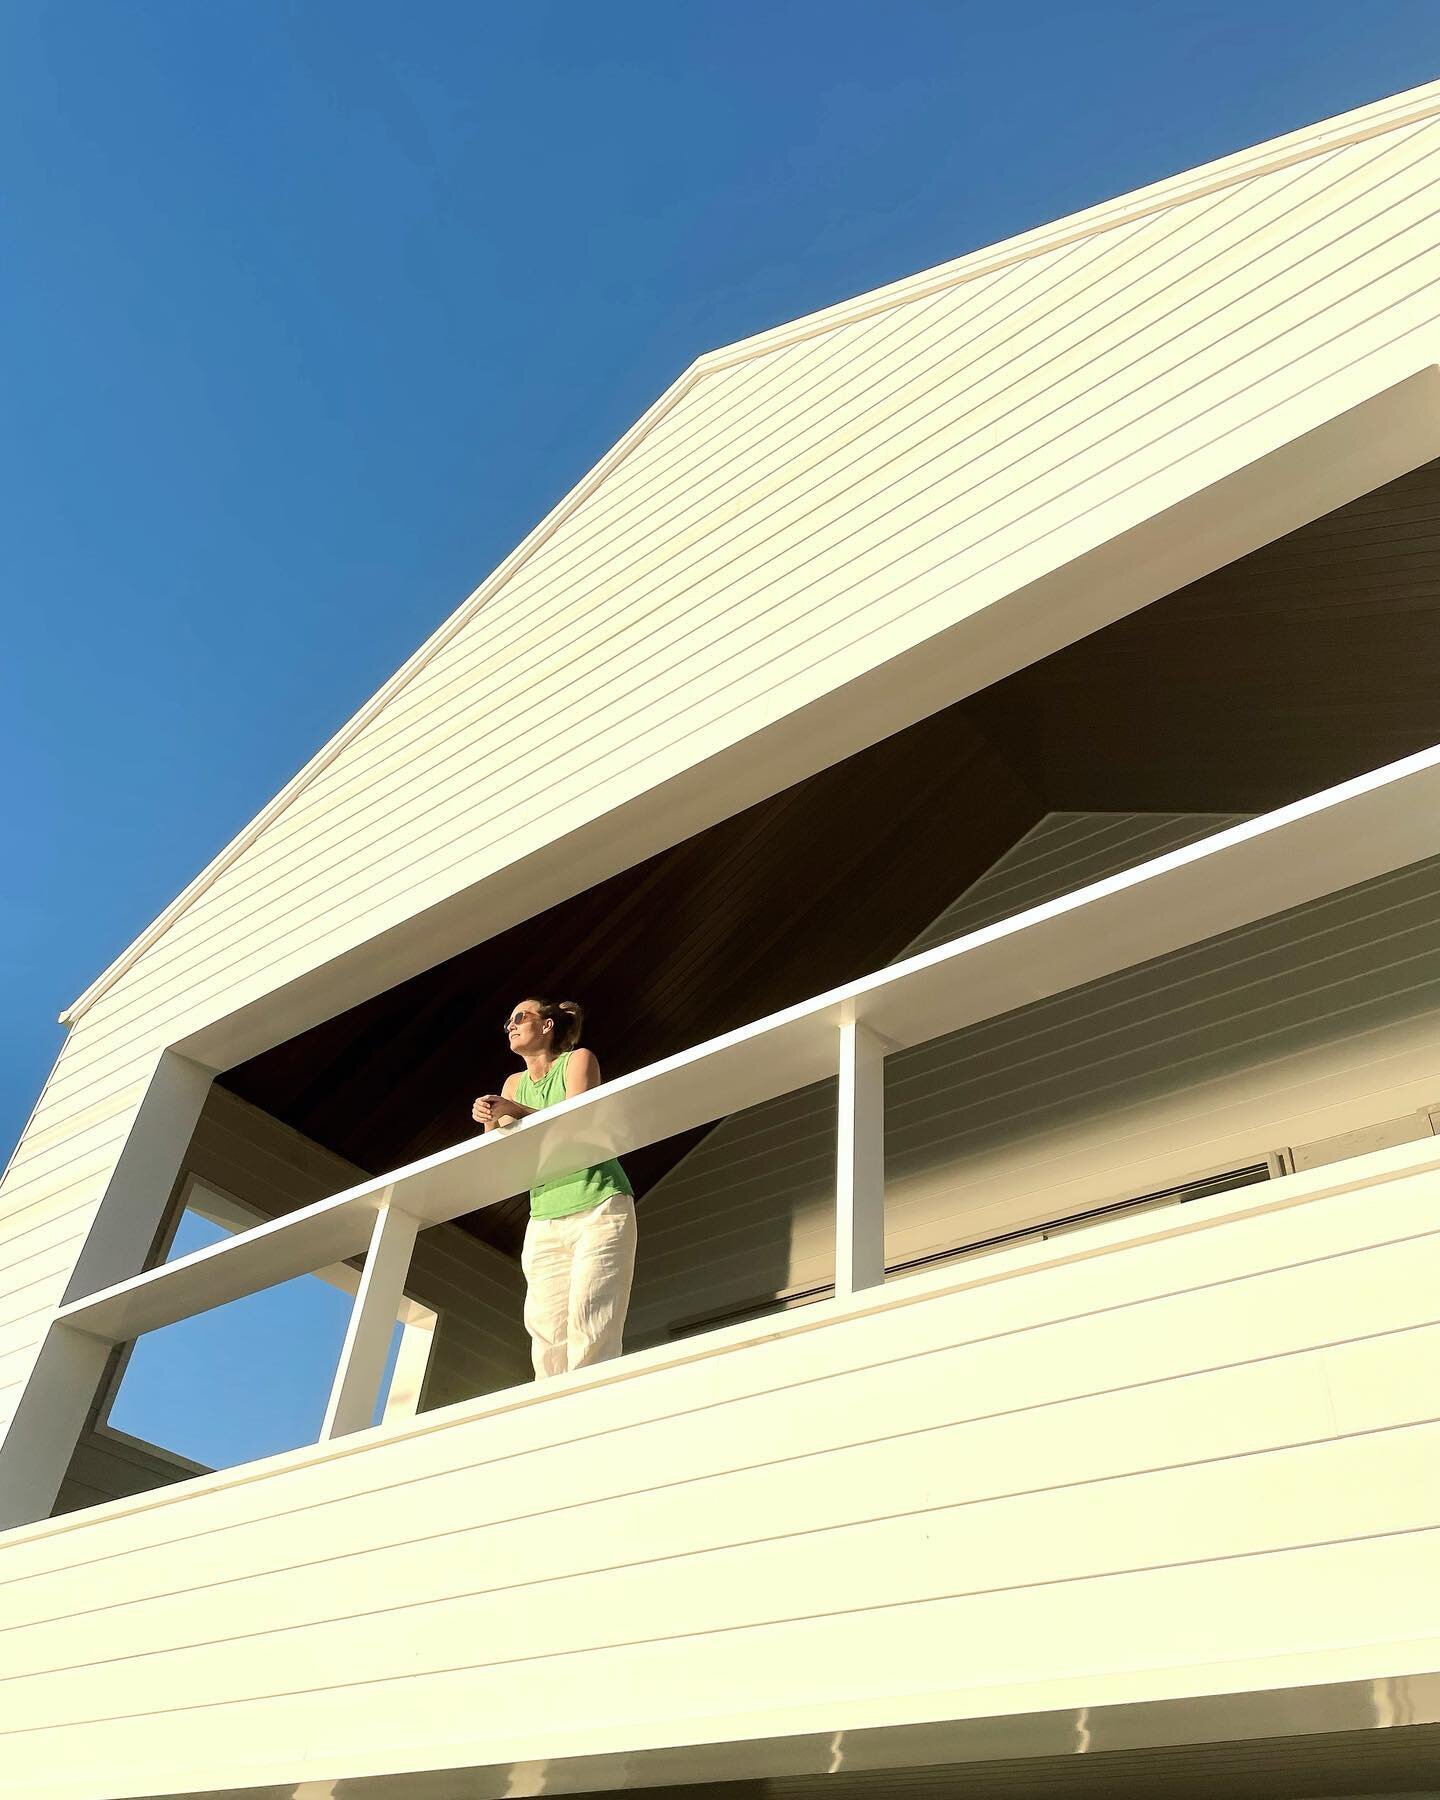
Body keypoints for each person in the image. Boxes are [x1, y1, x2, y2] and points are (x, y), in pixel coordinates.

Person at [472, 998, 636, 1380]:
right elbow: (507, 1153)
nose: (510, 1026)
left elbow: (578, 1121)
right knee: (546, 1334)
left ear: (547, 1025)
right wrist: (489, 1117)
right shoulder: (514, 1084)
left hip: (598, 1202)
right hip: (544, 1214)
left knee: (591, 1321)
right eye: (507, 1021)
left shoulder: (578, 1060)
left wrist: (513, 1111)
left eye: (519, 1017)